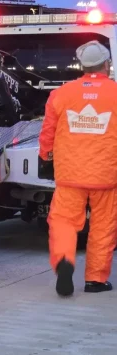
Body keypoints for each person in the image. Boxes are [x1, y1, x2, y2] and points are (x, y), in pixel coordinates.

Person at [39, 40, 117, 297]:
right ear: (107, 64)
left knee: (63, 220)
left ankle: (64, 260)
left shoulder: (61, 94)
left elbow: (47, 133)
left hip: (69, 174)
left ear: (82, 66)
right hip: (107, 176)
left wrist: (45, 158)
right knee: (103, 227)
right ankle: (96, 279)